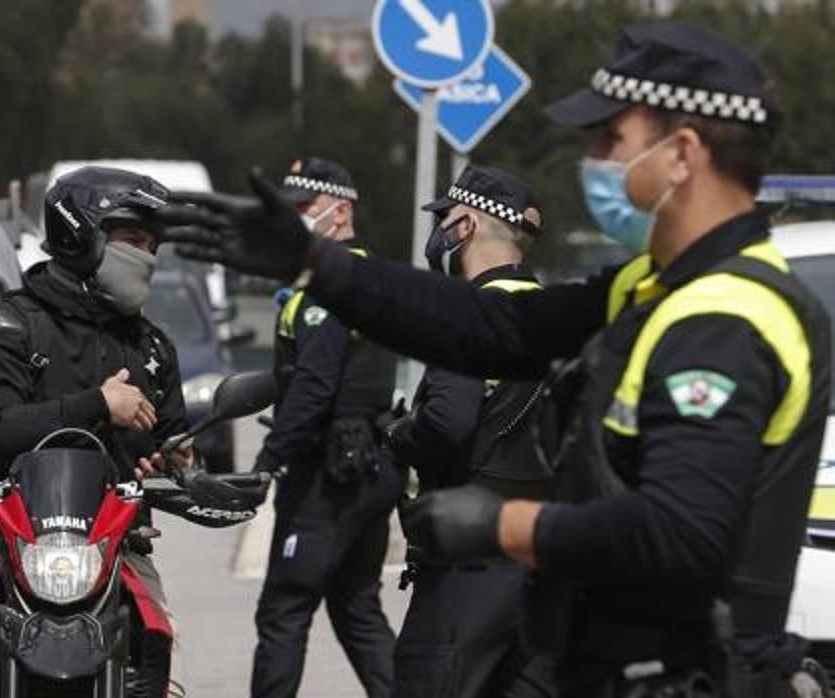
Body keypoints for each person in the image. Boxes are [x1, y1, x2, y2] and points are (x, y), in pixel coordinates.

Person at [159, 22, 831, 697]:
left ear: (683, 152)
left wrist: (503, 524)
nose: (593, 158)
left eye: (610, 139)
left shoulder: (726, 318)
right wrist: (316, 265)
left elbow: (680, 535)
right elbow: (492, 327)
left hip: (688, 677)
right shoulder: (657, 284)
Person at [0, 166, 195, 698]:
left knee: (163, 641)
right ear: (80, 235)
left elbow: (170, 440)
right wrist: (97, 404)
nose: (145, 256)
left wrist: (173, 463)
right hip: (1, 537)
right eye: (131, 240)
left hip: (114, 545)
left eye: (151, 244)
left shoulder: (152, 348)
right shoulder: (11, 327)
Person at [383, 165, 555, 698]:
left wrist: (398, 435)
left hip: (467, 568)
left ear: (467, 227)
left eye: (446, 219)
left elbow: (448, 421)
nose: (439, 234)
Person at [251, 157, 402, 698]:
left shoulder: (330, 289)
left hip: (328, 476)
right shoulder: (367, 276)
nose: (293, 220)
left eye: (303, 209)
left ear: (340, 212)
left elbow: (314, 385)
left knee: (283, 611)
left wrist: (269, 458)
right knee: (357, 608)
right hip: (367, 467)